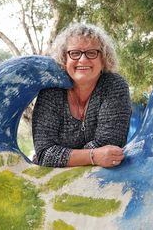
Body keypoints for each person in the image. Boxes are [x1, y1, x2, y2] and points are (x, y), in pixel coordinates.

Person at [32, 22, 132, 168]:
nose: (83, 60)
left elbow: (110, 145)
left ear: (103, 58)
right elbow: (44, 154)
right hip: (51, 180)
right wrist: (93, 156)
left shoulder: (114, 86)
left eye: (92, 53)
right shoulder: (51, 91)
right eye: (75, 53)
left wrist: (62, 157)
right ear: (64, 58)